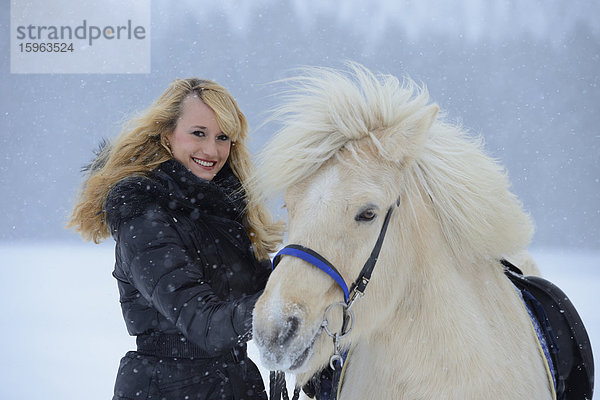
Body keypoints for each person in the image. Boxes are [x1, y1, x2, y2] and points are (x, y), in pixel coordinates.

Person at [68, 78, 283, 399]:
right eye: (199, 133)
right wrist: (291, 303)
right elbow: (205, 325)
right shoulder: (143, 217)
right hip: (168, 387)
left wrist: (309, 274)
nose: (212, 150)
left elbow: (268, 291)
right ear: (167, 135)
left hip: (237, 384)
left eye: (223, 137)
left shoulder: (226, 212)